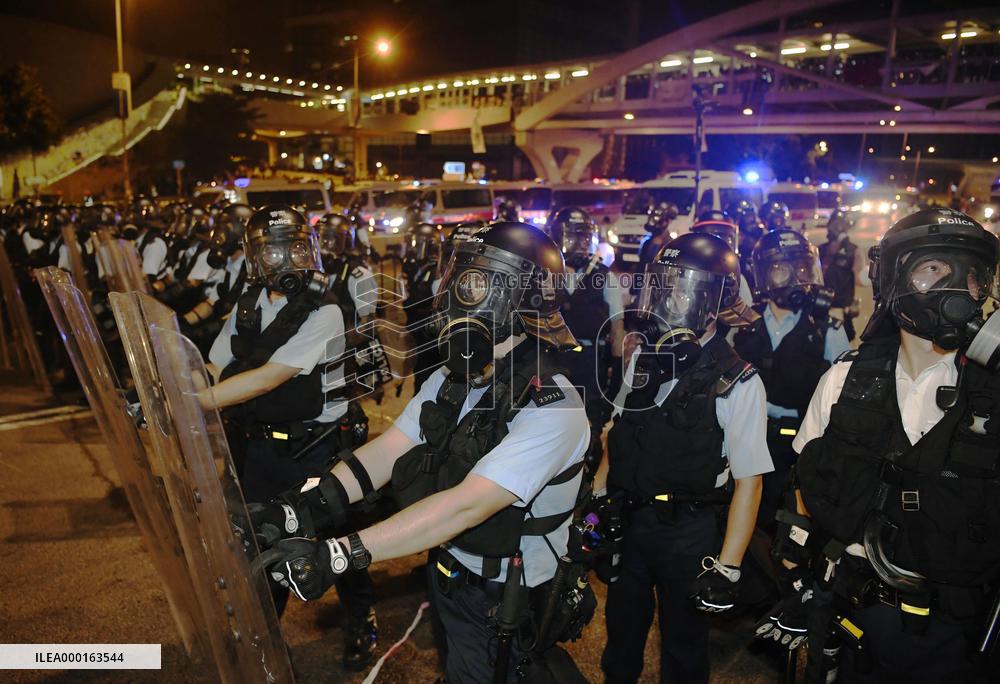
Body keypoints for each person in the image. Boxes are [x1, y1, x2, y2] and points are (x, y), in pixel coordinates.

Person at [250, 221, 591, 682]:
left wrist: (340, 553)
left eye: (474, 284)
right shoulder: (453, 378)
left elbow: (465, 505)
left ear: (522, 300)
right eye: (458, 279)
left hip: (507, 598)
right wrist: (301, 507)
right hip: (450, 569)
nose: (454, 296)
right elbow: (388, 451)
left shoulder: (553, 406)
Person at [770, 207, 1000, 682]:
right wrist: (799, 577)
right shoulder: (842, 381)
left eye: (972, 275)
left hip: (953, 635)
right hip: (851, 616)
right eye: (933, 268)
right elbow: (805, 484)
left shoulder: (993, 395)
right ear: (894, 277)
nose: (957, 289)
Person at [203, 205, 379, 668]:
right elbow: (215, 366)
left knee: (335, 543)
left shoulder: (325, 310)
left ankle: (361, 618)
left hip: (314, 447)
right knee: (259, 543)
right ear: (255, 258)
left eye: (297, 249)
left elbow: (268, 378)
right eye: (274, 253)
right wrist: (171, 388)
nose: (287, 261)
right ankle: (263, 640)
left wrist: (196, 401)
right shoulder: (248, 304)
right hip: (260, 447)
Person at [597, 233, 773, 683]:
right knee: (620, 640)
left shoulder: (738, 380)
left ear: (717, 302)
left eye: (685, 289)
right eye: (666, 286)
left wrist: (728, 567)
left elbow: (750, 481)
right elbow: (617, 431)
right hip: (631, 522)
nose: (672, 299)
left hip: (688, 532)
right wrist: (596, 503)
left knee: (684, 649)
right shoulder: (643, 357)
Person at [732, 229, 850, 531]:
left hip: (798, 443)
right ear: (763, 275)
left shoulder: (827, 329)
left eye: (801, 269)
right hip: (746, 436)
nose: (795, 279)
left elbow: (842, 398)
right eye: (781, 270)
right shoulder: (743, 324)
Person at [548, 206, 626, 434]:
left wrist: (617, 377)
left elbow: (617, 328)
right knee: (553, 423)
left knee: (591, 425)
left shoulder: (604, 276)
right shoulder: (544, 274)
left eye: (585, 237)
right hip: (552, 359)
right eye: (574, 236)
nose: (582, 243)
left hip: (590, 361)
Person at [401, 222, 445, 394]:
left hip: (429, 333)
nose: (412, 249)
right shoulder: (414, 267)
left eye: (417, 244)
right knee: (418, 370)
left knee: (428, 373)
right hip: (415, 329)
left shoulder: (437, 270)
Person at [819, 207, 866, 341]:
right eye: (834, 224)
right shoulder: (820, 249)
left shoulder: (854, 251)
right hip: (820, 308)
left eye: (840, 224)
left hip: (840, 311)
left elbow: (860, 279)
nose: (836, 228)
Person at [637, 201, 678, 269]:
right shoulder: (646, 243)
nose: (655, 222)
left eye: (660, 219)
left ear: (669, 221)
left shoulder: (671, 245)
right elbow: (642, 267)